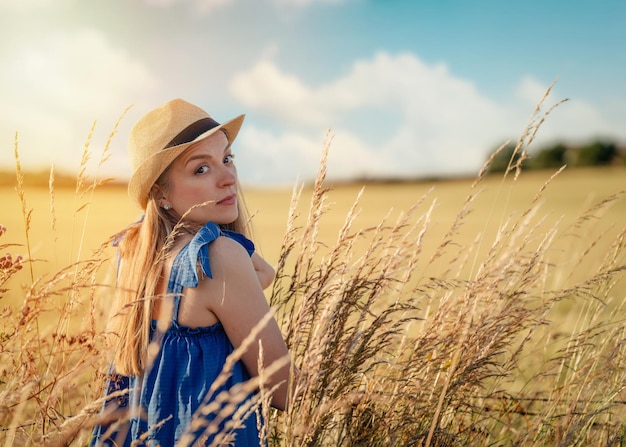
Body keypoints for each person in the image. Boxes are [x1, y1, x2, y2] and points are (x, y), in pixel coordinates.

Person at [90, 98, 293, 446]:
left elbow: (261, 272)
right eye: (201, 168)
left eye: (227, 158)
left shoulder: (133, 249)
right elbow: (285, 392)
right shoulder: (219, 258)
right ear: (160, 193)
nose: (228, 178)